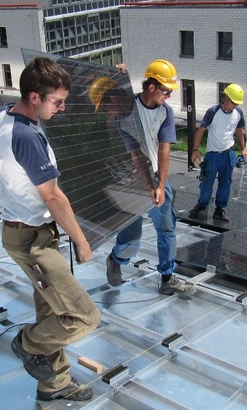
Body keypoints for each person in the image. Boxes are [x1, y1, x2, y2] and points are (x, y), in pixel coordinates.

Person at [0, 56, 100, 402]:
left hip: (26, 229)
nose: (63, 108)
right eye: (57, 101)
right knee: (82, 316)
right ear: (34, 97)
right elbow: (53, 197)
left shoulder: (8, 115)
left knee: (51, 311)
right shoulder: (26, 136)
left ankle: (54, 385)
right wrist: (81, 240)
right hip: (31, 238)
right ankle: (27, 343)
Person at [93, 59, 196, 296]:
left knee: (167, 228)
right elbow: (137, 155)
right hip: (133, 181)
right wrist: (148, 185)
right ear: (152, 87)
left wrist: (160, 186)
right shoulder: (125, 114)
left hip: (158, 177)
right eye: (166, 90)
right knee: (132, 235)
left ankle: (167, 278)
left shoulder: (165, 112)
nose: (169, 96)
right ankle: (116, 260)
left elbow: (164, 149)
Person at [188, 84, 247, 223]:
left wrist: (243, 148)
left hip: (228, 154)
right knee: (207, 183)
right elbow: (201, 130)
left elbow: (240, 130)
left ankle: (220, 209)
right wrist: (195, 150)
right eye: (233, 102)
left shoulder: (238, 113)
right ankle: (202, 205)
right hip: (213, 155)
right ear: (226, 97)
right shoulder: (213, 112)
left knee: (225, 183)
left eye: (237, 103)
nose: (235, 105)